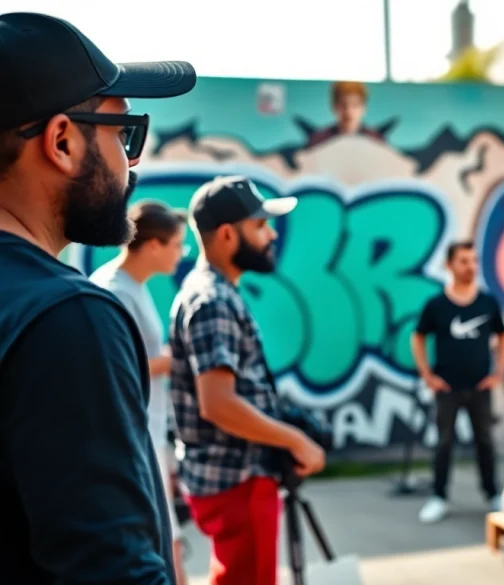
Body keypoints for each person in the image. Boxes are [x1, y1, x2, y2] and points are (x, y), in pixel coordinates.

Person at [0, 12, 195, 584]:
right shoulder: (67, 317)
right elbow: (112, 571)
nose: (129, 163)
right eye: (123, 133)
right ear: (62, 140)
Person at [169, 175, 325, 585]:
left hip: (234, 477)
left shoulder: (214, 291)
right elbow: (217, 404)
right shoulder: (212, 300)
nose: (271, 234)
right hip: (237, 480)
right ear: (226, 234)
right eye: (259, 225)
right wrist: (296, 440)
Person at [90, 200, 191, 585]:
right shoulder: (113, 289)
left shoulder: (133, 285)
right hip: (134, 435)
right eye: (177, 244)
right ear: (152, 245)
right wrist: (173, 359)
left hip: (149, 431)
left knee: (170, 541)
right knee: (166, 543)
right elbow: (116, 367)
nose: (181, 254)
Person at [411, 240, 504, 523]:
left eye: (474, 261)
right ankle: (439, 496)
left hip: (480, 386)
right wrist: (427, 376)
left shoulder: (487, 302)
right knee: (444, 442)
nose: (471, 267)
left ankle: (492, 494)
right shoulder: (436, 305)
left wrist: (498, 372)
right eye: (464, 261)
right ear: (449, 265)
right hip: (447, 387)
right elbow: (417, 337)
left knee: (485, 441)